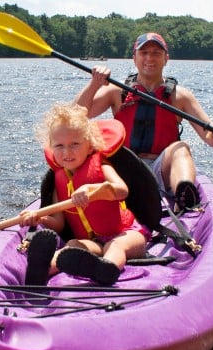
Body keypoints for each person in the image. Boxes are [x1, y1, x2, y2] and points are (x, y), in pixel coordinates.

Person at [74, 32, 213, 210]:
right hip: (124, 168)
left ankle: (184, 198)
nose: (149, 58)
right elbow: (75, 117)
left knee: (181, 147)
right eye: (144, 53)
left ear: (166, 59)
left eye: (156, 53)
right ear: (134, 58)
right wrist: (94, 84)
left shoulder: (180, 96)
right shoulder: (117, 90)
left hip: (161, 169)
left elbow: (208, 135)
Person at [19, 103, 149, 286]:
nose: (67, 152)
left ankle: (107, 268)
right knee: (72, 245)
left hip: (126, 234)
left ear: (89, 146)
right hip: (93, 243)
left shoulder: (102, 165)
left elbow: (122, 190)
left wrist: (91, 190)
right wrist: (40, 218)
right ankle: (42, 268)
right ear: (51, 148)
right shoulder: (58, 181)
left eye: (74, 144)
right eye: (60, 146)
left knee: (115, 246)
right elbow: (58, 223)